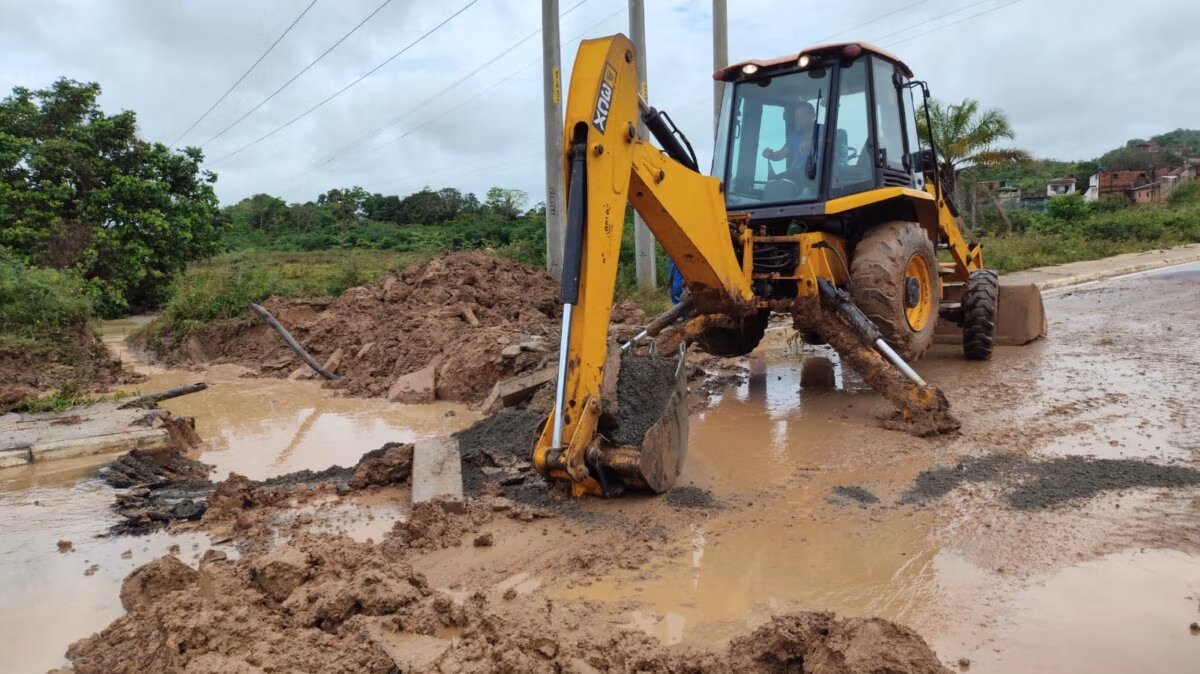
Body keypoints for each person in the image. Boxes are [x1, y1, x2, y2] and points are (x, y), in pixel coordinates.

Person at [762, 101, 820, 182]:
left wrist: (813, 143)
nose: (800, 121)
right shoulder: (794, 137)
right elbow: (780, 154)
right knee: (774, 184)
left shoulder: (825, 131)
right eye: (797, 118)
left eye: (803, 117)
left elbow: (835, 142)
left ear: (813, 116)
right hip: (798, 179)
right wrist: (770, 154)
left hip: (818, 178)